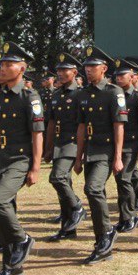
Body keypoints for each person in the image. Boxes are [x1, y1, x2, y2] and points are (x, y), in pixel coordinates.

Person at [0, 42, 44, 275]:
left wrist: (36, 167)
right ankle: (11, 265)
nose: (4, 68)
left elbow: (37, 133)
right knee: (2, 208)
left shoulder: (30, 96)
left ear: (22, 68)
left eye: (9, 64)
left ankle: (22, 239)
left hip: (21, 158)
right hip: (3, 158)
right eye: (2, 64)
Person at [73, 46, 127, 264]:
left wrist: (118, 156)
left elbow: (118, 126)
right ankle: (102, 242)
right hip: (91, 151)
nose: (88, 70)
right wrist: (78, 157)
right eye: (86, 66)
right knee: (95, 193)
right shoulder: (82, 94)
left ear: (104, 68)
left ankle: (106, 233)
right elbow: (81, 127)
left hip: (106, 150)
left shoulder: (114, 92)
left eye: (93, 66)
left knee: (92, 188)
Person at [44, 53, 87, 240]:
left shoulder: (81, 94)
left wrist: (82, 151)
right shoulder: (56, 95)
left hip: (73, 142)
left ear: (75, 72)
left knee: (58, 177)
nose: (60, 73)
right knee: (64, 184)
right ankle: (68, 228)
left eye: (65, 70)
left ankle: (77, 207)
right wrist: (48, 147)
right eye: (59, 70)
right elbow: (51, 123)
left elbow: (83, 124)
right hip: (59, 143)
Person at [111, 59, 138, 234]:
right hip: (117, 144)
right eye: (116, 75)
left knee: (124, 179)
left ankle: (130, 216)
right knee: (121, 180)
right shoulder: (114, 95)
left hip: (132, 144)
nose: (118, 78)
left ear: (131, 77)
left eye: (122, 75)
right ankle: (125, 217)